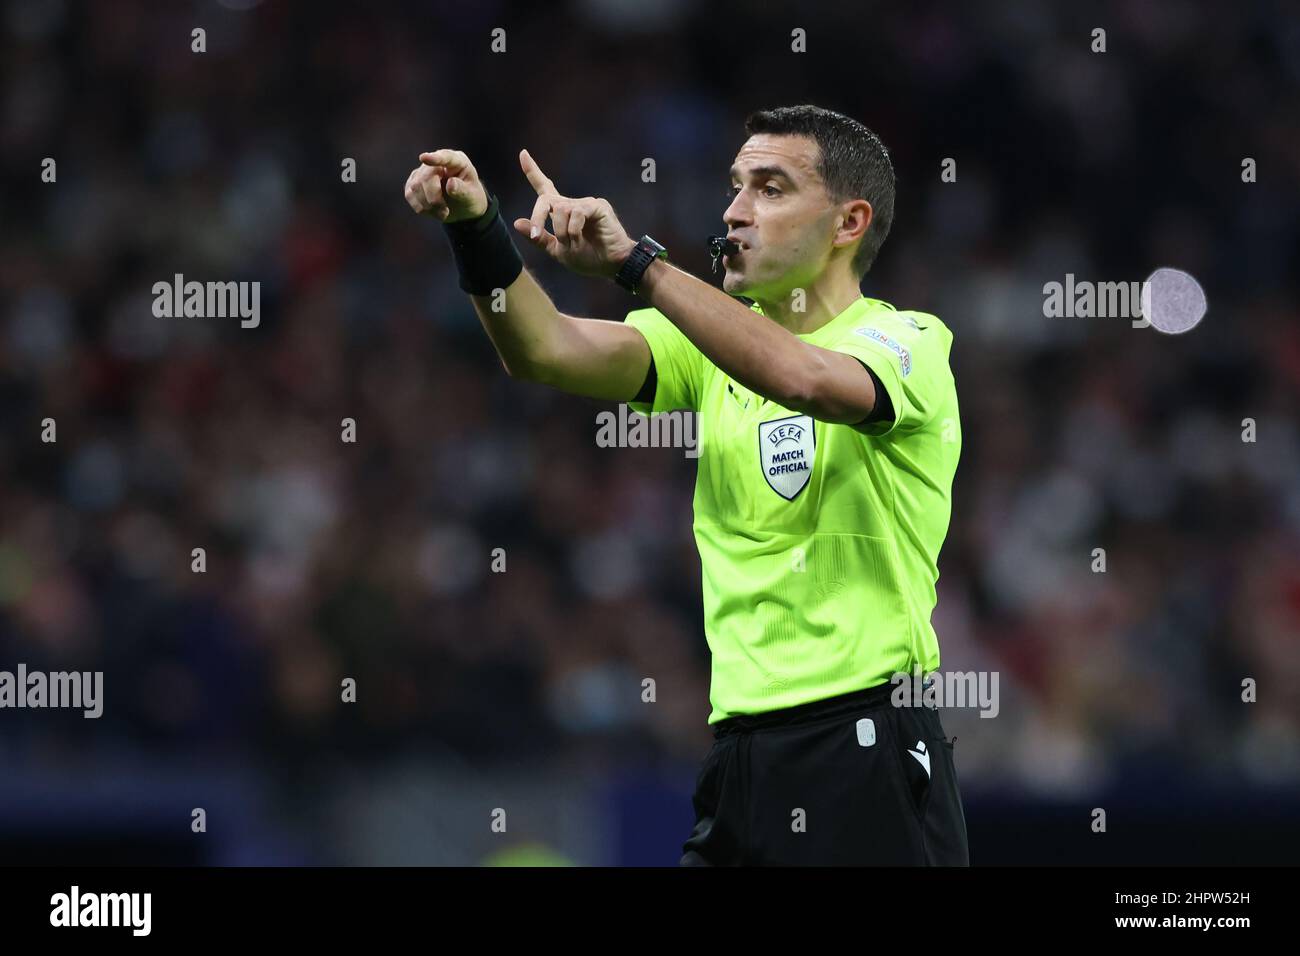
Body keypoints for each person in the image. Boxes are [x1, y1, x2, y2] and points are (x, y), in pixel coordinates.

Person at [404, 104, 968, 865]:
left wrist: (638, 264)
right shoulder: (709, 350)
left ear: (848, 222)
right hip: (740, 753)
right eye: (735, 187)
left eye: (769, 189)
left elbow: (803, 378)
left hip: (862, 745)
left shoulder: (908, 342)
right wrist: (476, 225)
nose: (735, 211)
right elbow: (543, 348)